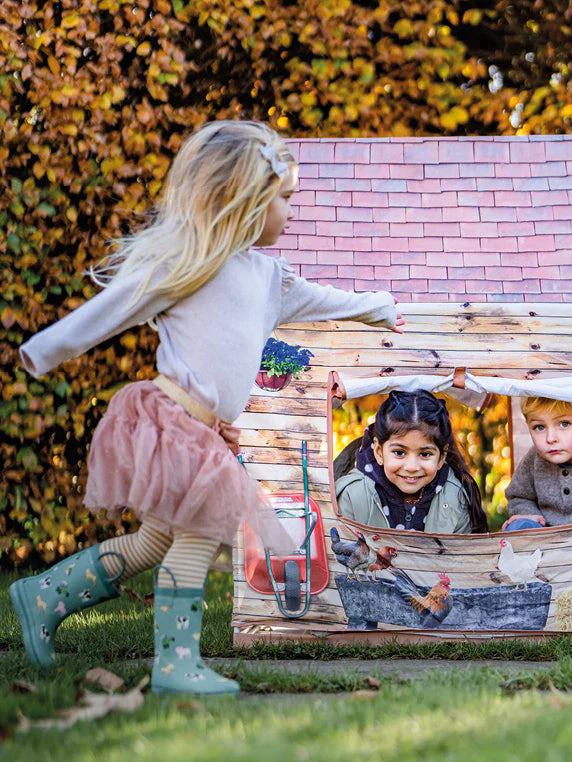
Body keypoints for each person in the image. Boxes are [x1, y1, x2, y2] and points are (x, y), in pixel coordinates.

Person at [11, 120, 404, 695]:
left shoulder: (270, 277)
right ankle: (175, 666)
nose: (292, 211)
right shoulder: (187, 262)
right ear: (246, 195)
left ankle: (42, 596)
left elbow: (328, 301)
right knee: (195, 537)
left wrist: (379, 307)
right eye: (285, 198)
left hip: (207, 431)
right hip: (171, 422)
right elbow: (111, 308)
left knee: (154, 544)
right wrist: (42, 351)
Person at [334, 390, 488, 534]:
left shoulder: (454, 496)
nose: (412, 467)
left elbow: (464, 558)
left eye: (425, 454)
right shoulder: (353, 495)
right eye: (399, 453)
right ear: (379, 452)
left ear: (441, 457)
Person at [502, 396, 572, 531]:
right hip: (544, 539)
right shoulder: (534, 458)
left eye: (564, 424)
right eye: (539, 427)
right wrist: (529, 515)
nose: (550, 438)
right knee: (517, 526)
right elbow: (518, 496)